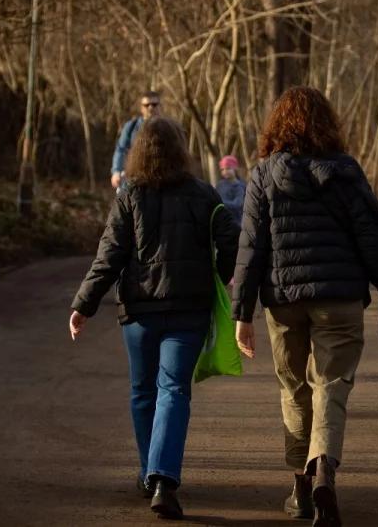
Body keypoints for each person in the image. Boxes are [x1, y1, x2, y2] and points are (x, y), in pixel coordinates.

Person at [232, 87, 378, 527]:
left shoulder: (264, 174)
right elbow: (374, 239)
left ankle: (301, 489)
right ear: (329, 124)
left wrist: (242, 314)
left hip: (284, 299)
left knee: (294, 389)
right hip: (340, 297)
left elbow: (250, 247)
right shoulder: (345, 172)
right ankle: (324, 465)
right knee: (331, 384)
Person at [70, 116, 239, 520]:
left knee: (143, 391)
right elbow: (232, 239)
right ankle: (163, 478)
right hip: (188, 310)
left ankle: (150, 474)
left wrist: (84, 304)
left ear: (138, 152)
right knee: (174, 389)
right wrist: (225, 277)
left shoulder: (130, 195)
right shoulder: (203, 194)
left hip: (139, 313)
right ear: (181, 151)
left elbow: (109, 255)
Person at [111, 91, 164, 191]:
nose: (150, 108)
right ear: (141, 107)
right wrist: (116, 171)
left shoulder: (168, 128)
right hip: (134, 178)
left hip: (162, 179)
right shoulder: (131, 127)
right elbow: (121, 149)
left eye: (154, 104)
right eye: (146, 105)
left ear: (160, 106)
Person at [216, 155, 246, 224]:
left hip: (236, 221)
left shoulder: (239, 186)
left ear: (235, 169)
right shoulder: (220, 185)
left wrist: (221, 203)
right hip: (222, 221)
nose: (225, 171)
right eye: (222, 169)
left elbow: (238, 204)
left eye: (228, 168)